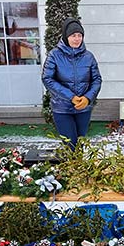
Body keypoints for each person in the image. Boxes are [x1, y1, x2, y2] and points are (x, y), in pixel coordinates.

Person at [42, 17, 102, 148]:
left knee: (80, 144)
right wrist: (71, 97)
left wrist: (87, 98)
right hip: (62, 108)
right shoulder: (54, 55)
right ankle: (72, 168)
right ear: (66, 37)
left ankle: (77, 168)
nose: (77, 39)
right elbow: (47, 78)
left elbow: (97, 80)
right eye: (73, 35)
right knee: (70, 145)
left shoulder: (88, 57)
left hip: (83, 109)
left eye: (80, 35)